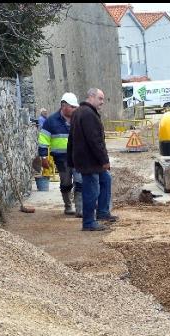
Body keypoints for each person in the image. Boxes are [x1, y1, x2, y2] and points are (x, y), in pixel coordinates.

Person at [68, 88, 118, 232]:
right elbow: (95, 140)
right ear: (91, 97)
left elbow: (71, 138)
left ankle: (102, 212)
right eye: (100, 98)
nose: (102, 102)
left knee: (105, 179)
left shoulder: (79, 112)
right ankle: (89, 222)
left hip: (88, 160)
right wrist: (104, 160)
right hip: (90, 161)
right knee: (91, 190)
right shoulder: (88, 114)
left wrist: (71, 160)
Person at [38, 94, 78, 215]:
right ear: (64, 106)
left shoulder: (79, 118)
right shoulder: (51, 121)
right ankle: (68, 205)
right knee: (66, 183)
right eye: (72, 107)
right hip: (62, 159)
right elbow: (43, 140)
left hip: (78, 157)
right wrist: (44, 157)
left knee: (80, 181)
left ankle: (80, 208)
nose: (75, 109)